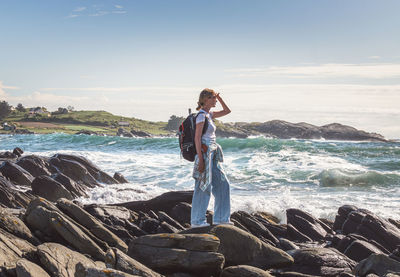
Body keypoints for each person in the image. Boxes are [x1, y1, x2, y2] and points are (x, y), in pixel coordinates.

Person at [191, 88, 233, 228]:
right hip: (204, 152)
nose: (215, 100)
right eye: (213, 98)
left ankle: (221, 219)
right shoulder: (202, 116)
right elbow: (197, 138)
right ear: (206, 99)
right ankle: (197, 221)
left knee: (223, 184)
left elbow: (227, 111)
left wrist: (220, 98)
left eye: (215, 98)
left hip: (213, 152)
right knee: (203, 186)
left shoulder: (210, 114)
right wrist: (201, 161)